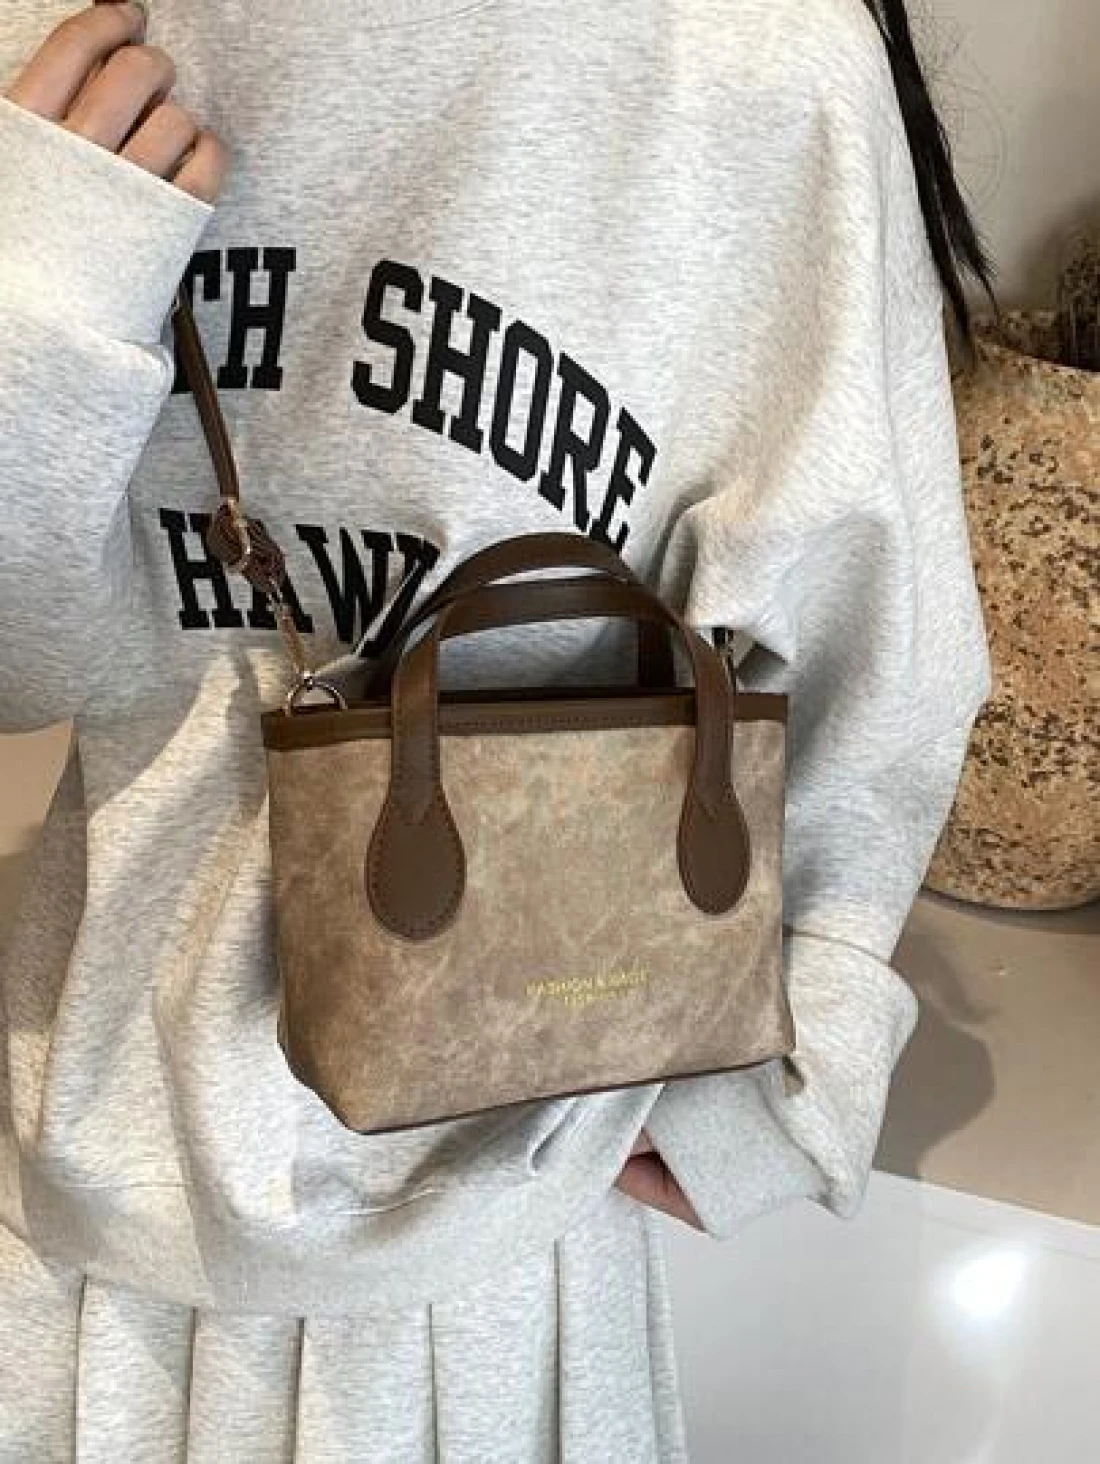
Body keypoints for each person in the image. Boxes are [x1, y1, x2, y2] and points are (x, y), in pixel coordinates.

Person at [0, 0, 993, 1457]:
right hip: (69, 1206)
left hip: (490, 1247)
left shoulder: (757, 66)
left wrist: (792, 1063)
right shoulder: (75, 33)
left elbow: (876, 635)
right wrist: (36, 303)